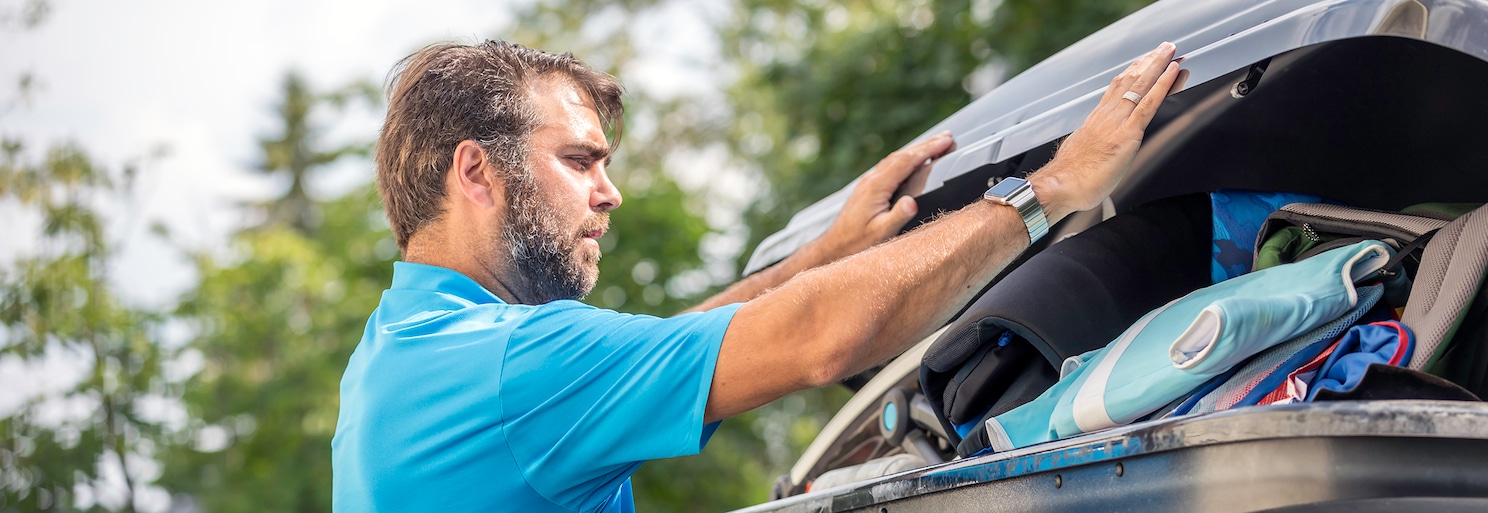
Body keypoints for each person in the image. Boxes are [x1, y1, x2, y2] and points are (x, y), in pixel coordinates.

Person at [332, 39, 1184, 512]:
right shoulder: (512, 367)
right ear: (476, 173)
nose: (610, 191)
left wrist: (822, 254)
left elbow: (664, 348)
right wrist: (1049, 190)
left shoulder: (400, 354)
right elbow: (818, 341)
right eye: (580, 160)